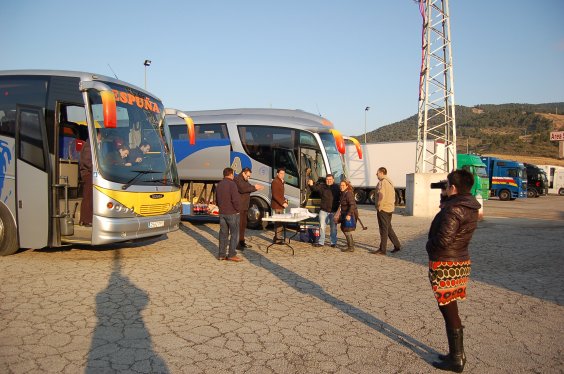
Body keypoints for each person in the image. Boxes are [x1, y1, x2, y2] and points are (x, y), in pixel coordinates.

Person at [427, 170, 480, 373]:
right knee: (450, 308)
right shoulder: (468, 205)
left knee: (448, 309)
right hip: (459, 261)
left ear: (454, 188)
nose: (445, 187)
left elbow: (443, 239)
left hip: (445, 264)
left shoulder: (453, 209)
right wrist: (445, 197)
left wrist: (429, 245)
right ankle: (455, 353)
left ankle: (457, 359)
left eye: (447, 185)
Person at [371, 167, 401, 255]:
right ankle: (397, 245)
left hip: (383, 209)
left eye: (377, 173)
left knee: (383, 229)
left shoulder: (382, 182)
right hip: (390, 208)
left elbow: (381, 194)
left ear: (381, 173)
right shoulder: (390, 181)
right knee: (388, 228)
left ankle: (382, 249)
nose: (376, 175)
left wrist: (379, 205)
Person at [216, 167, 243, 262]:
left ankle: (221, 255)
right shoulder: (232, 184)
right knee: (234, 234)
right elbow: (235, 199)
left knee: (223, 234)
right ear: (231, 174)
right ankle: (231, 254)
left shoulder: (219, 184)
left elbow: (217, 200)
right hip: (232, 213)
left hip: (222, 213)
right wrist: (238, 209)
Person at [234, 167, 264, 250]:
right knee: (239, 225)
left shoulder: (245, 180)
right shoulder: (237, 179)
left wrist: (255, 187)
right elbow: (243, 189)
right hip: (240, 206)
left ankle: (242, 241)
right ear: (243, 173)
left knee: (243, 225)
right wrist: (255, 188)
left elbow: (249, 186)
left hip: (245, 206)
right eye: (248, 176)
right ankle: (237, 243)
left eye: (249, 176)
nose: (248, 178)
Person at [307, 174, 340, 247]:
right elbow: (314, 189)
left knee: (333, 228)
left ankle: (333, 242)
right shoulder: (322, 186)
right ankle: (321, 242)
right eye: (327, 179)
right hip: (323, 210)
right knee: (322, 227)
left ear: (333, 180)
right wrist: (311, 184)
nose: (329, 181)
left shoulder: (337, 187)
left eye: (330, 179)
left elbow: (343, 195)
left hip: (333, 211)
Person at [79, 130, 101, 227]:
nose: (100, 139)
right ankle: (86, 219)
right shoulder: (89, 146)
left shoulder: (92, 145)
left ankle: (88, 218)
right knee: (88, 197)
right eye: (100, 137)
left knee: (91, 197)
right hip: (88, 174)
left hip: (92, 174)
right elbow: (88, 162)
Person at [336, 180, 357, 252]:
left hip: (348, 213)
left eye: (343, 185)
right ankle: (350, 243)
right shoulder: (343, 193)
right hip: (344, 213)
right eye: (340, 185)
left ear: (347, 186)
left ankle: (351, 247)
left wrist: (349, 215)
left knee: (347, 229)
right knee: (343, 228)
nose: (341, 187)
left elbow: (352, 205)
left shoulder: (348, 194)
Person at [270, 167, 288, 244]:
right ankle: (277, 239)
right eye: (281, 173)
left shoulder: (280, 181)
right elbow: (275, 195)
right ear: (277, 174)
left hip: (280, 205)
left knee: (280, 222)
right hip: (277, 205)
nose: (282, 175)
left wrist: (285, 200)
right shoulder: (275, 181)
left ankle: (277, 237)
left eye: (283, 173)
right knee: (278, 222)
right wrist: (282, 202)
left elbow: (280, 194)